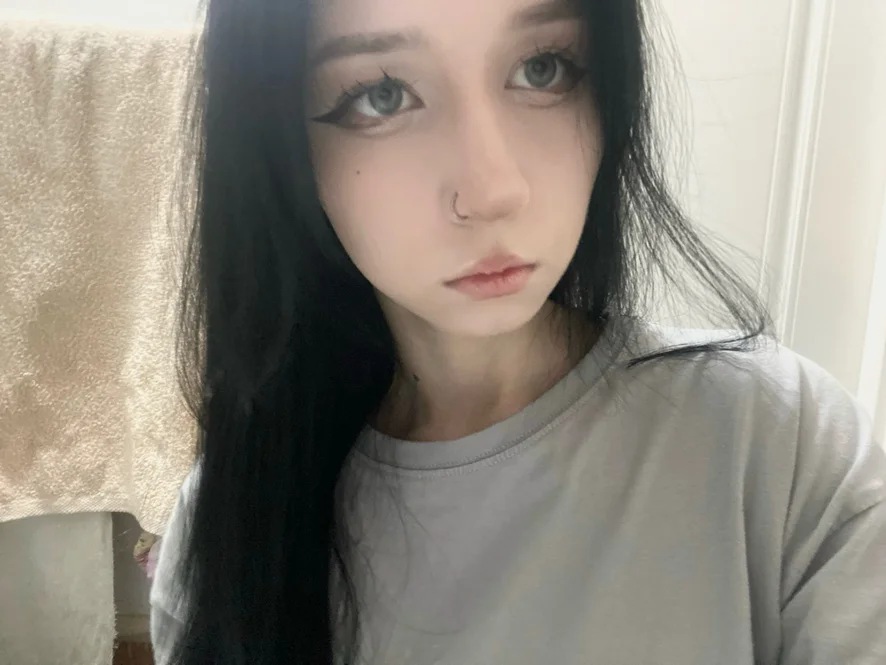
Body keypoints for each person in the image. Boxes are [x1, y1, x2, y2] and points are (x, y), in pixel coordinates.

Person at [149, 0, 886, 662]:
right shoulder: (232, 524)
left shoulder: (784, 453)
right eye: (382, 94)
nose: (493, 189)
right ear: (277, 147)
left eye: (543, 68)